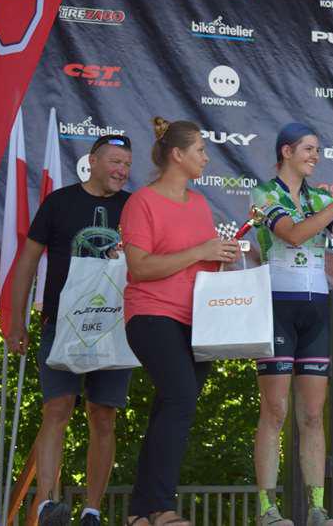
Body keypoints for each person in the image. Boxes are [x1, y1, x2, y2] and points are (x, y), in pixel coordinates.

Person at [250, 123, 333, 526]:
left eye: (318, 150)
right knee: (275, 410)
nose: (315, 156)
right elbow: (292, 235)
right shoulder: (264, 194)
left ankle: (317, 508)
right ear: (286, 151)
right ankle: (267, 508)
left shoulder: (321, 198)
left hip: (316, 308)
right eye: (308, 149)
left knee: (311, 413)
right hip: (278, 306)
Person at [4, 134, 134, 526]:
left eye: (127, 164)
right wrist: (16, 320)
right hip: (60, 324)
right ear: (92, 161)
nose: (122, 170)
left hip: (113, 328)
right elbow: (27, 261)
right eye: (114, 162)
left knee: (104, 415)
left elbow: (150, 260)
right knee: (56, 409)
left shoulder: (134, 207)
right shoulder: (59, 202)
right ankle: (47, 505)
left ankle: (92, 510)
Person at [121, 118, 241, 526]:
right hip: (151, 314)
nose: (206, 158)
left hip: (198, 321)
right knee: (180, 399)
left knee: (171, 408)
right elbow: (139, 267)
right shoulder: (142, 202)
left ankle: (139, 512)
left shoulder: (200, 203)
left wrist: (221, 256)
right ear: (177, 154)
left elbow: (202, 264)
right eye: (200, 151)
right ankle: (161, 508)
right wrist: (200, 251)